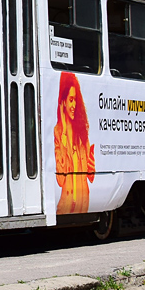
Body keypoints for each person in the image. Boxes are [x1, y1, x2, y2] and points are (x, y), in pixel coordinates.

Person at [55, 72, 96, 214]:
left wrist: (92, 166)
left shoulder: (82, 134)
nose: (73, 105)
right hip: (65, 204)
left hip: (84, 203)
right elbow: (60, 179)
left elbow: (90, 176)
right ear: (63, 101)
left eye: (75, 100)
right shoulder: (58, 133)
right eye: (70, 99)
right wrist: (65, 132)